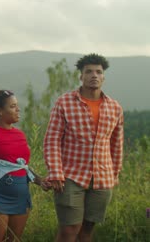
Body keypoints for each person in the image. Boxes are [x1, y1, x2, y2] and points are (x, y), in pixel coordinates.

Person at [43, 53, 124, 242]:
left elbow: (116, 143)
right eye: (89, 72)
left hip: (102, 177)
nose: (94, 75)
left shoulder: (114, 107)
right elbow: (52, 139)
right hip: (70, 176)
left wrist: (115, 172)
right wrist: (55, 171)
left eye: (98, 72)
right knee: (70, 229)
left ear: (103, 77)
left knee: (88, 229)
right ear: (81, 76)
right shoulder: (65, 102)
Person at [0, 90, 48, 242]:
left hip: (21, 197)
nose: (18, 109)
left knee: (13, 240)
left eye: (17, 106)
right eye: (13, 106)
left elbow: (21, 166)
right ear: (0, 111)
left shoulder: (20, 134)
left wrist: (40, 181)